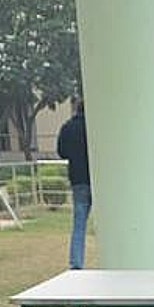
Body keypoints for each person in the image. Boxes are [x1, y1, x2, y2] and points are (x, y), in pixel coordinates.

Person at [56, 98, 91, 269]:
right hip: (98, 179)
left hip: (78, 179)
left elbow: (61, 152)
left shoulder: (67, 127)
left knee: (79, 224)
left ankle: (76, 263)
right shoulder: (94, 128)